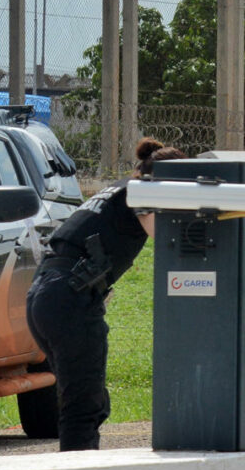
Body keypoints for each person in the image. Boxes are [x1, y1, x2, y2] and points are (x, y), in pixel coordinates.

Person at [27, 137, 186, 450]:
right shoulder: (143, 192)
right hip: (69, 300)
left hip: (47, 295)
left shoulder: (119, 189)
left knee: (89, 400)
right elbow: (168, 238)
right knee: (83, 407)